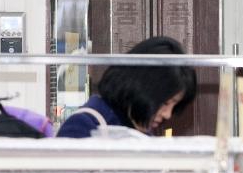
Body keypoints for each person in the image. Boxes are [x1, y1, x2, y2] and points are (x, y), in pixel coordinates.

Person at [57, 36, 197, 137]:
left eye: (174, 105)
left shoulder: (141, 131)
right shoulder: (83, 126)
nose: (167, 114)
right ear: (142, 87)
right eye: (165, 103)